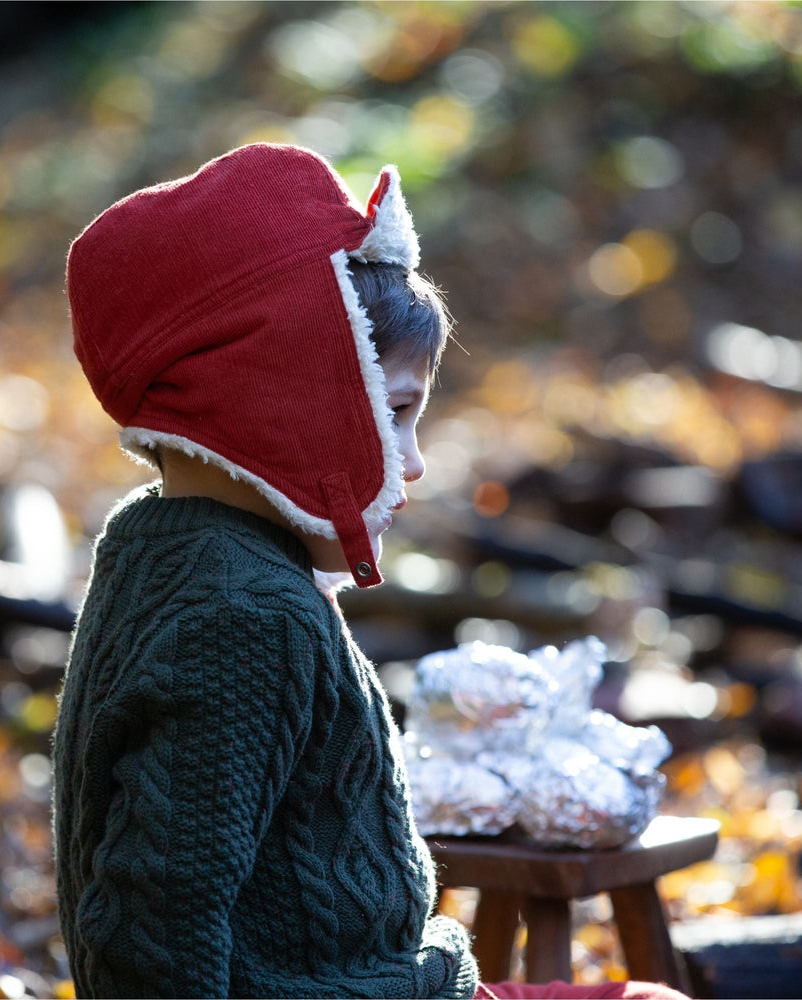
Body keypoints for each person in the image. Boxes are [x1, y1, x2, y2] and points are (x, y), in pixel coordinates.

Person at [51, 143, 690, 1000]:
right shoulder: (243, 615)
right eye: (392, 410)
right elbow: (155, 927)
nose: (415, 462)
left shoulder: (162, 541)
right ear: (283, 394)